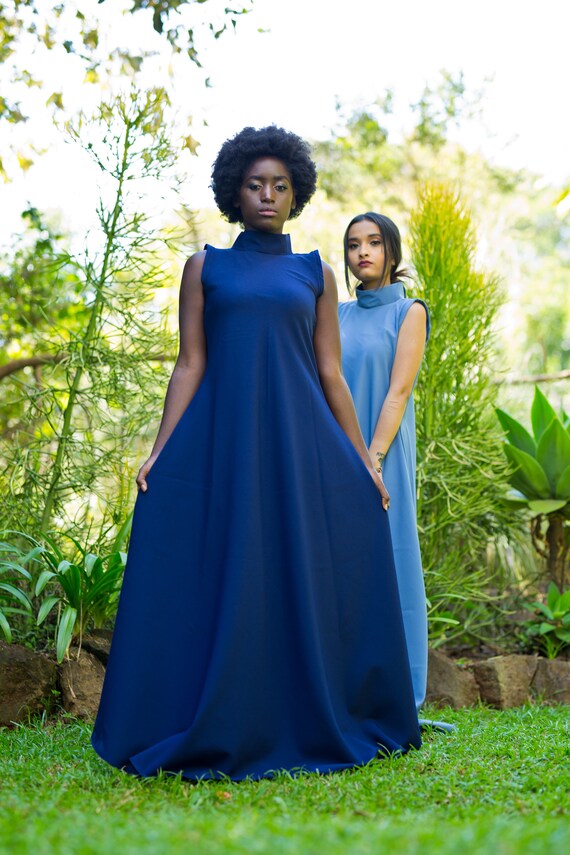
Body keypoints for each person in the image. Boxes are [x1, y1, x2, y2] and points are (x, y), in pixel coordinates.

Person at [91, 130, 421, 782]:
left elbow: (329, 373)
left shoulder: (316, 273)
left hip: (299, 443)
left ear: (296, 195)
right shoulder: (204, 267)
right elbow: (190, 363)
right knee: (223, 565)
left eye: (280, 186)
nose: (268, 195)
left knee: (298, 567)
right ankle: (205, 711)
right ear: (235, 194)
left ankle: (316, 711)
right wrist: (159, 451)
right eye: (255, 185)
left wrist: (362, 459)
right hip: (223, 440)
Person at [338, 212, 430, 712]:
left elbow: (398, 392)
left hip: (383, 455)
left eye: (373, 243)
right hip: (337, 455)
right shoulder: (336, 315)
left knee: (393, 560)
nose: (363, 253)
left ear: (391, 251)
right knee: (343, 568)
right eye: (354, 245)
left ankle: (403, 697)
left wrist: (372, 461)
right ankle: (346, 691)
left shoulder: (408, 312)